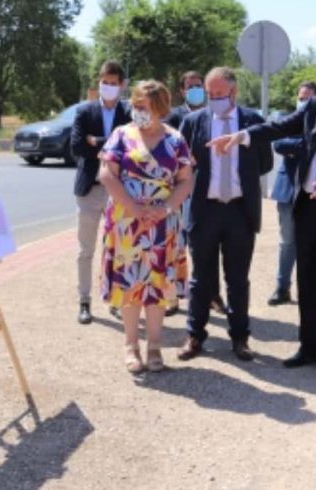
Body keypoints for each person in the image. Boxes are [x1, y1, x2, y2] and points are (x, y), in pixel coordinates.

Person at [209, 66, 316, 380]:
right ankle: (308, 347)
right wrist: (242, 136)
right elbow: (279, 128)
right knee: (307, 282)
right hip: (306, 207)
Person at [177, 67, 273, 362]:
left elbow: (265, 162)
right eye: (210, 94)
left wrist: (238, 175)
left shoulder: (252, 121)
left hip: (239, 212)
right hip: (204, 211)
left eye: (220, 94)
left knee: (238, 279)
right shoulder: (194, 121)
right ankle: (195, 335)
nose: (215, 99)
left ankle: (240, 338)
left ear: (234, 92)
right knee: (201, 279)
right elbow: (181, 162)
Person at [98, 80, 194, 373]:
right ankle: (131, 345)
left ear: (161, 109)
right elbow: (106, 174)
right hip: (127, 222)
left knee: (156, 286)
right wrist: (134, 205)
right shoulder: (121, 135)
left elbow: (185, 180)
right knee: (130, 285)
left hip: (162, 225)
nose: (138, 112)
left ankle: (154, 346)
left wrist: (165, 208)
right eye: (136, 106)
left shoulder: (175, 139)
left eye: (145, 108)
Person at [70, 61, 131, 325]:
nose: (107, 86)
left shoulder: (129, 113)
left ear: (122, 85)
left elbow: (133, 147)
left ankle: (116, 300)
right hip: (90, 190)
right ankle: (84, 301)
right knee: (86, 249)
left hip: (119, 191)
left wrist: (97, 141)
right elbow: (76, 147)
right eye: (104, 81)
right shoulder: (84, 112)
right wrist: (111, 144)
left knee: (118, 249)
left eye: (113, 82)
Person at [163, 70, 225, 317]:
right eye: (191, 86)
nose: (196, 90)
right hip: (179, 191)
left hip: (207, 190)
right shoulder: (173, 117)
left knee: (207, 247)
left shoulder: (216, 114)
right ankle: (173, 296)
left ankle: (212, 294)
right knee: (176, 245)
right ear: (182, 91)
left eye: (199, 85)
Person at [267, 81, 316, 306]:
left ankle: (315, 291)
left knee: (315, 244)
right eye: (301, 97)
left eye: (308, 98)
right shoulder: (288, 120)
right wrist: (308, 144)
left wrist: (299, 146)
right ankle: (282, 288)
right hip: (288, 191)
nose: (303, 101)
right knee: (288, 242)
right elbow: (279, 144)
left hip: (313, 193)